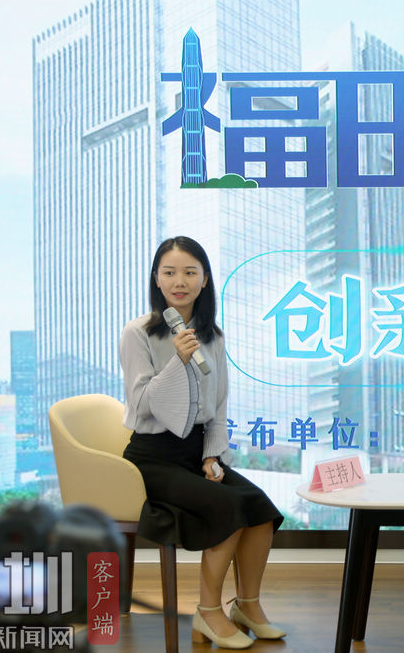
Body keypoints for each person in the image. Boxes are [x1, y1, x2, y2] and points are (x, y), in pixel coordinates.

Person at [120, 236, 285, 649]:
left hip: (197, 454)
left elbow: (218, 406)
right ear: (157, 279)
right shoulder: (138, 332)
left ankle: (247, 605)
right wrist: (176, 361)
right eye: (170, 272)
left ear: (205, 279)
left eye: (190, 272)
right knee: (228, 508)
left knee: (261, 508)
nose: (180, 281)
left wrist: (213, 455)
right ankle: (208, 612)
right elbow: (141, 404)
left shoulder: (213, 336)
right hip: (152, 457)